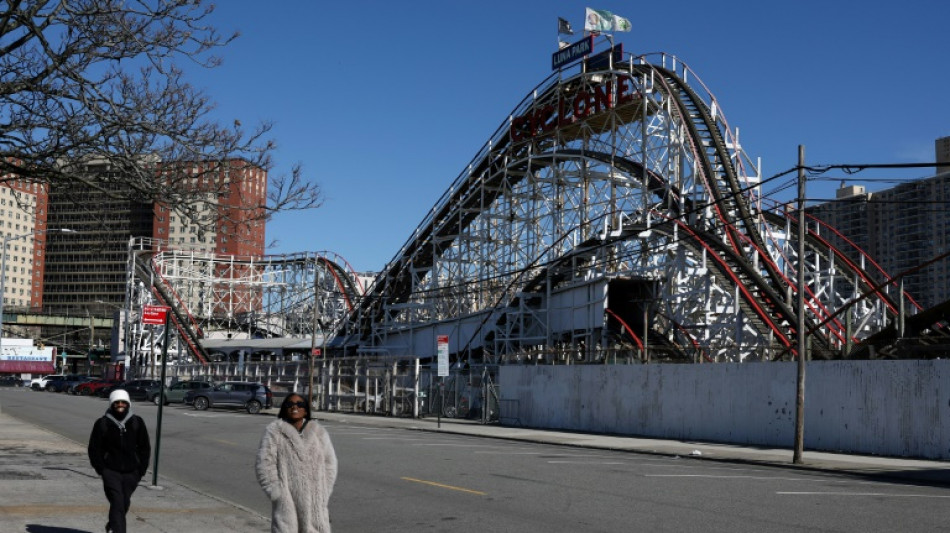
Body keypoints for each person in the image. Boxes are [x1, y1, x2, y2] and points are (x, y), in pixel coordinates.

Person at [256, 394, 338, 533]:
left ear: (306, 410)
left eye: (300, 404)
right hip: (287, 500)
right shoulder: (275, 431)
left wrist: (324, 491)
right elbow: (264, 464)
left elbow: (330, 463)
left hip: (315, 500)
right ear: (284, 409)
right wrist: (277, 493)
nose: (295, 407)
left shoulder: (318, 432)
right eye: (290, 404)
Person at [87, 388, 151, 533]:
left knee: (124, 503)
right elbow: (94, 448)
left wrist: (141, 470)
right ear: (111, 404)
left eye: (123, 402)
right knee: (117, 502)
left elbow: (144, 447)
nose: (120, 405)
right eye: (117, 402)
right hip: (111, 471)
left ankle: (113, 523)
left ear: (128, 403)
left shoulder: (137, 422)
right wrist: (101, 469)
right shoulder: (102, 423)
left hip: (132, 472)